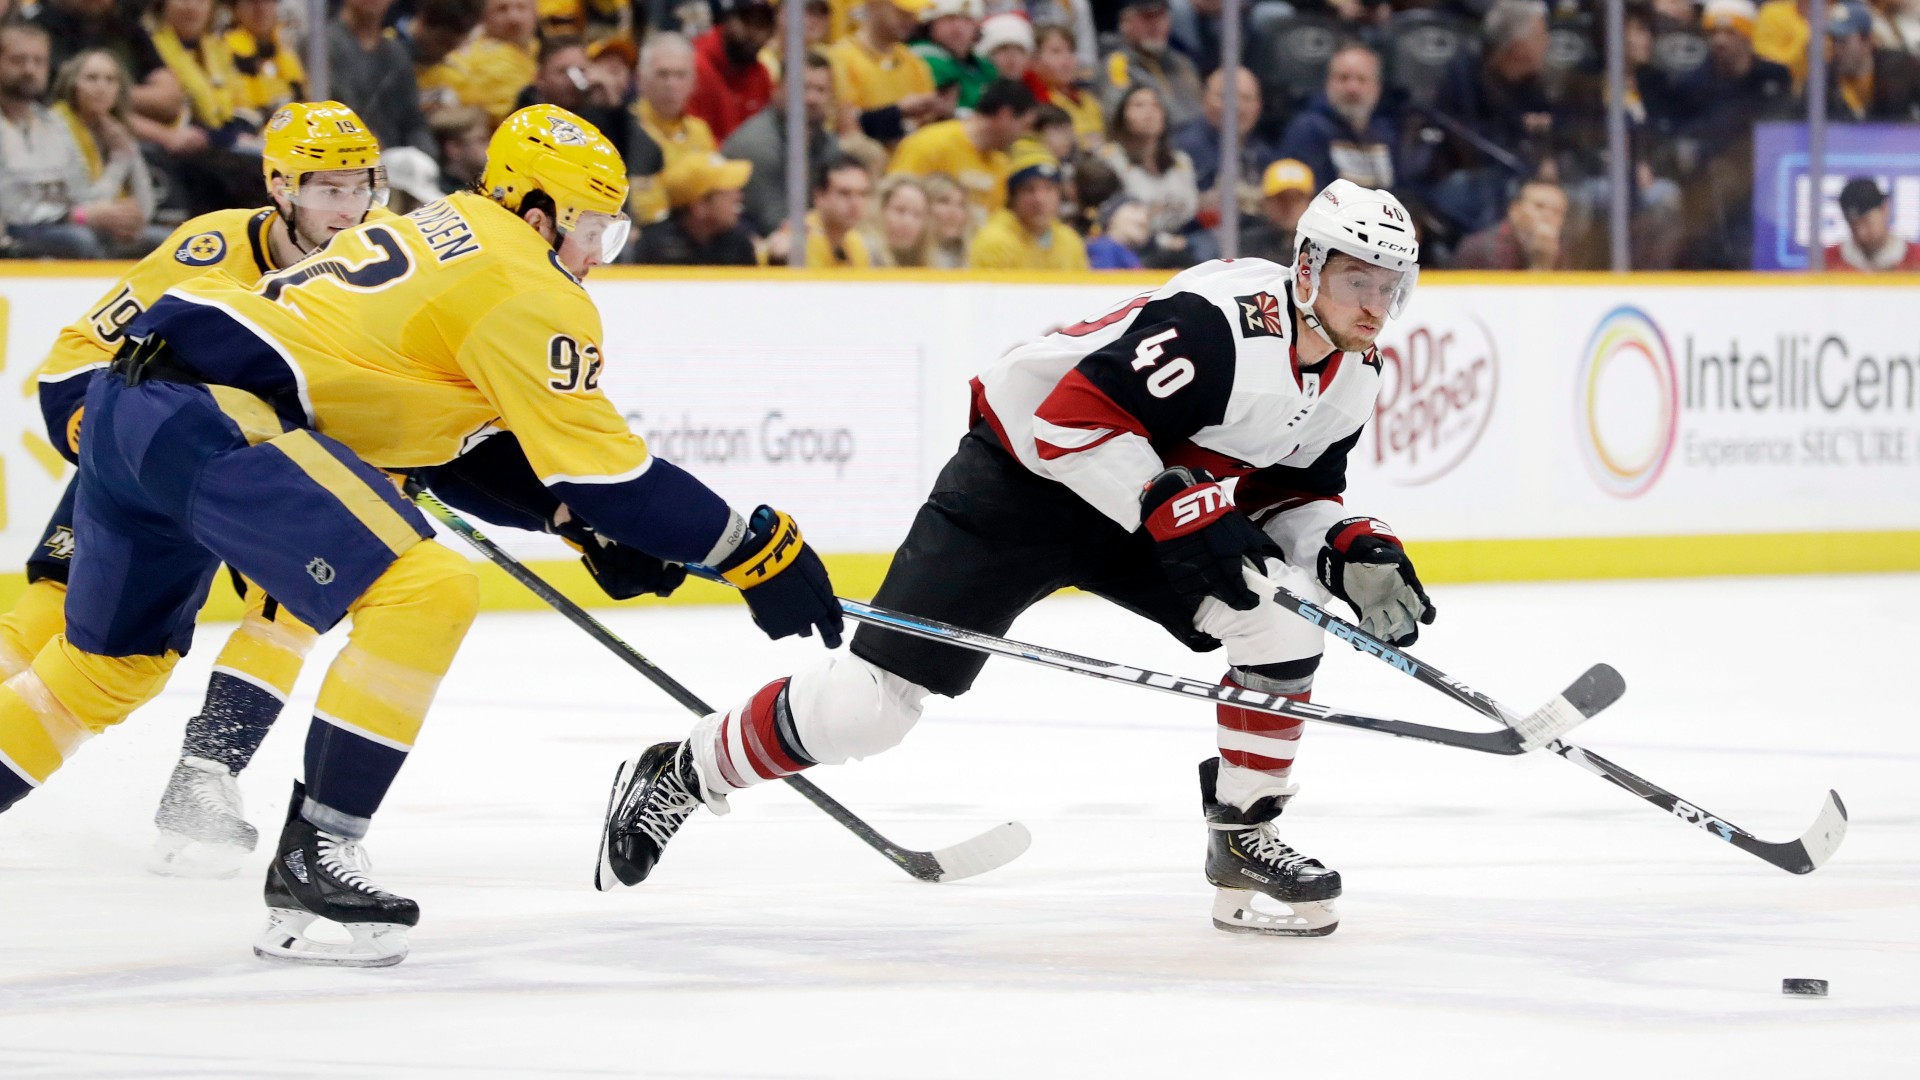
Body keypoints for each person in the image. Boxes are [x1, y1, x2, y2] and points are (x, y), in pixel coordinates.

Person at [0, 105, 842, 968]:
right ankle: (316, 855)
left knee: (105, 671)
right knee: (427, 589)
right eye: (590, 229)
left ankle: (276, 831)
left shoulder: (450, 230)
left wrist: (570, 522)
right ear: (539, 214)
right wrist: (754, 551)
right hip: (215, 420)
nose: (597, 254)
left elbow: (452, 452)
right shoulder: (527, 285)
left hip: (137, 409)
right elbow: (613, 479)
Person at [597, 180, 1434, 940]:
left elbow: (1290, 493)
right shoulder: (1219, 325)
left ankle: (1244, 836)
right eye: (1357, 280)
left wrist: (1345, 545)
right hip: (1023, 483)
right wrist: (1176, 507)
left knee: (1282, 622)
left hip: (1145, 504)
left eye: (1389, 286)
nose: (1375, 305)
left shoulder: (1355, 373)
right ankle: (683, 770)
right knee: (869, 710)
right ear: (1308, 267)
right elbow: (1068, 422)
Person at [5, 102, 386, 877]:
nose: (349, 211)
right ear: (279, 186)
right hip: (151, 450)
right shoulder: (209, 247)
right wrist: (112, 447)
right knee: (58, 611)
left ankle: (206, 773)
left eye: (362, 189)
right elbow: (80, 351)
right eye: (329, 190)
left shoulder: (378, 267)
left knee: (292, 604)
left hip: (260, 470)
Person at [0, 23, 145, 258]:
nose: (29, 69)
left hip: (65, 224)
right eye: (19, 60)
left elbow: (83, 194)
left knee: (157, 241)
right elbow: (10, 208)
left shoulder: (53, 125)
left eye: (39, 61)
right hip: (15, 232)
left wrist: (121, 158)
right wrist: (77, 216)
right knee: (81, 241)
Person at [48, 48, 171, 256]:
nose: (101, 87)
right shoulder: (57, 126)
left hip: (116, 228)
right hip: (76, 224)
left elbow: (146, 208)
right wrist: (120, 159)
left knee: (172, 242)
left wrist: (129, 149)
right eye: (91, 78)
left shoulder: (116, 129)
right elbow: (88, 204)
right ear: (72, 84)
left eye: (110, 80)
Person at [724, 49, 839, 236]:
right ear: (778, 89)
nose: (812, 98)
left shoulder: (828, 143)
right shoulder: (757, 145)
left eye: (821, 90)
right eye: (803, 88)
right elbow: (775, 222)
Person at [888, 77, 1035, 214]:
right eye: (1024, 126)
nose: (1023, 135)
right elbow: (894, 199)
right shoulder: (930, 145)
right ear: (1005, 115)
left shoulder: (1001, 164)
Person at [1277, 41, 1396, 194]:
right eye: (1343, 78)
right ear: (1328, 83)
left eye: (1362, 79)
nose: (1352, 88)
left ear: (1377, 87)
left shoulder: (1388, 133)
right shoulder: (1307, 130)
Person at [828, 0, 945, 142]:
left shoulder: (914, 63)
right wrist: (899, 112)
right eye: (901, 11)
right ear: (874, 5)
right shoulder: (840, 59)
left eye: (914, 12)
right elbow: (846, 130)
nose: (910, 18)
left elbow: (924, 126)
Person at [1099, 84, 1200, 242]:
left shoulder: (1181, 161)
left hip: (1184, 239)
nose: (1149, 112)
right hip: (1133, 244)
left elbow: (1191, 210)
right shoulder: (1110, 159)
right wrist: (1162, 241)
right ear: (1122, 116)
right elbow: (1109, 217)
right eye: (1139, 105)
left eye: (1156, 105)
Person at [330, 0, 434, 151]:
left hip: (396, 156)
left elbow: (413, 121)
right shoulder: (321, 46)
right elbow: (338, 111)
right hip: (346, 153)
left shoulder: (397, 53)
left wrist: (426, 154)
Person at [968, 146, 1088, 269]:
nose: (1040, 199)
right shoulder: (995, 242)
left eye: (1049, 189)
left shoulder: (1070, 241)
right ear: (1013, 197)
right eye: (1029, 190)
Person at [632, 150, 760, 265]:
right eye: (727, 191)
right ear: (699, 207)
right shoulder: (655, 248)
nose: (738, 196)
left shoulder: (738, 245)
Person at [1101, 0, 1205, 131]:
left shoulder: (1181, 62)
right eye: (1148, 17)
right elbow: (1119, 117)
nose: (1157, 25)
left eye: (1162, 16)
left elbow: (1200, 107)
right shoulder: (1118, 65)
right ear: (1125, 23)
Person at [436, 0, 540, 124]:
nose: (514, 18)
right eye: (502, 9)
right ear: (483, 17)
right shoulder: (470, 57)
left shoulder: (543, 50)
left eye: (521, 8)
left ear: (535, 14)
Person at [688, 0, 777, 142]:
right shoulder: (694, 66)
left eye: (761, 26)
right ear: (728, 20)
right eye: (746, 22)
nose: (753, 33)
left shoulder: (760, 75)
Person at [769, 151, 876, 265]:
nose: (855, 203)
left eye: (862, 194)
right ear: (819, 196)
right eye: (844, 193)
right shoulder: (796, 239)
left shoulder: (857, 244)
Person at [1452, 176, 1568, 270]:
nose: (1548, 216)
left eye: (1557, 211)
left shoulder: (1558, 251)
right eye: (1539, 207)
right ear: (1514, 210)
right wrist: (1540, 265)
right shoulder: (1481, 249)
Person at [1025, 23, 1101, 148]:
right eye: (1056, 52)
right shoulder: (1032, 104)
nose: (1067, 60)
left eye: (1071, 51)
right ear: (1033, 60)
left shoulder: (1089, 99)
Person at [226, 0, 304, 120]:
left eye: (266, 1)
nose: (260, 9)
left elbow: (303, 98)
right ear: (236, 8)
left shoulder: (285, 51)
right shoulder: (223, 52)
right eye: (252, 2)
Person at [1824, 176, 1920, 270]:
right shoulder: (1828, 262)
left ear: (1884, 209)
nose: (1861, 233)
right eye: (1854, 225)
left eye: (1866, 222)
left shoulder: (1915, 259)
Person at [912, 0, 993, 111]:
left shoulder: (984, 66)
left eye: (967, 20)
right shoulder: (922, 57)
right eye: (949, 19)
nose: (958, 29)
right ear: (931, 23)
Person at [1237, 158, 1311, 264]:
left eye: (1296, 199)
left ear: (1310, 202)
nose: (1289, 207)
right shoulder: (1245, 244)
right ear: (1266, 202)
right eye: (1281, 199)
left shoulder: (1321, 247)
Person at [871, 172, 935, 265]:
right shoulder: (863, 254)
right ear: (880, 210)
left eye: (917, 214)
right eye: (900, 210)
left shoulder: (930, 262)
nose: (908, 222)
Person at [922, 170, 976, 266]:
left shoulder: (974, 259)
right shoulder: (908, 259)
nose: (953, 211)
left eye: (961, 205)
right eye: (944, 201)